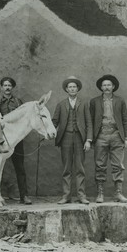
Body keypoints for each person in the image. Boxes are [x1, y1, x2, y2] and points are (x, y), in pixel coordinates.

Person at [0, 76, 32, 205]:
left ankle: (24, 196)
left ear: (12, 88)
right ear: (1, 88)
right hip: (1, 140)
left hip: (16, 140)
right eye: (5, 85)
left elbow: (24, 119)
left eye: (9, 85)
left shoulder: (19, 103)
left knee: (20, 167)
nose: (7, 88)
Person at [89, 74, 127, 203]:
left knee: (118, 165)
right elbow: (90, 121)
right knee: (100, 165)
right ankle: (100, 194)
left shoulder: (120, 101)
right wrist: (90, 138)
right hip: (100, 136)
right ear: (101, 87)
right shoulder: (94, 101)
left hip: (117, 136)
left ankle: (118, 193)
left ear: (113, 87)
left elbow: (125, 119)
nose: (106, 87)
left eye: (109, 85)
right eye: (104, 85)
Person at [52, 76, 93, 204]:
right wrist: (48, 131)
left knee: (80, 168)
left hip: (80, 138)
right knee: (66, 168)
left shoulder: (84, 104)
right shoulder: (60, 105)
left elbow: (89, 123)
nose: (72, 89)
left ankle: (81, 196)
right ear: (66, 89)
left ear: (78, 89)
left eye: (74, 87)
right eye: (70, 87)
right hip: (66, 138)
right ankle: (66, 196)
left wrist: (88, 140)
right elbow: (54, 121)